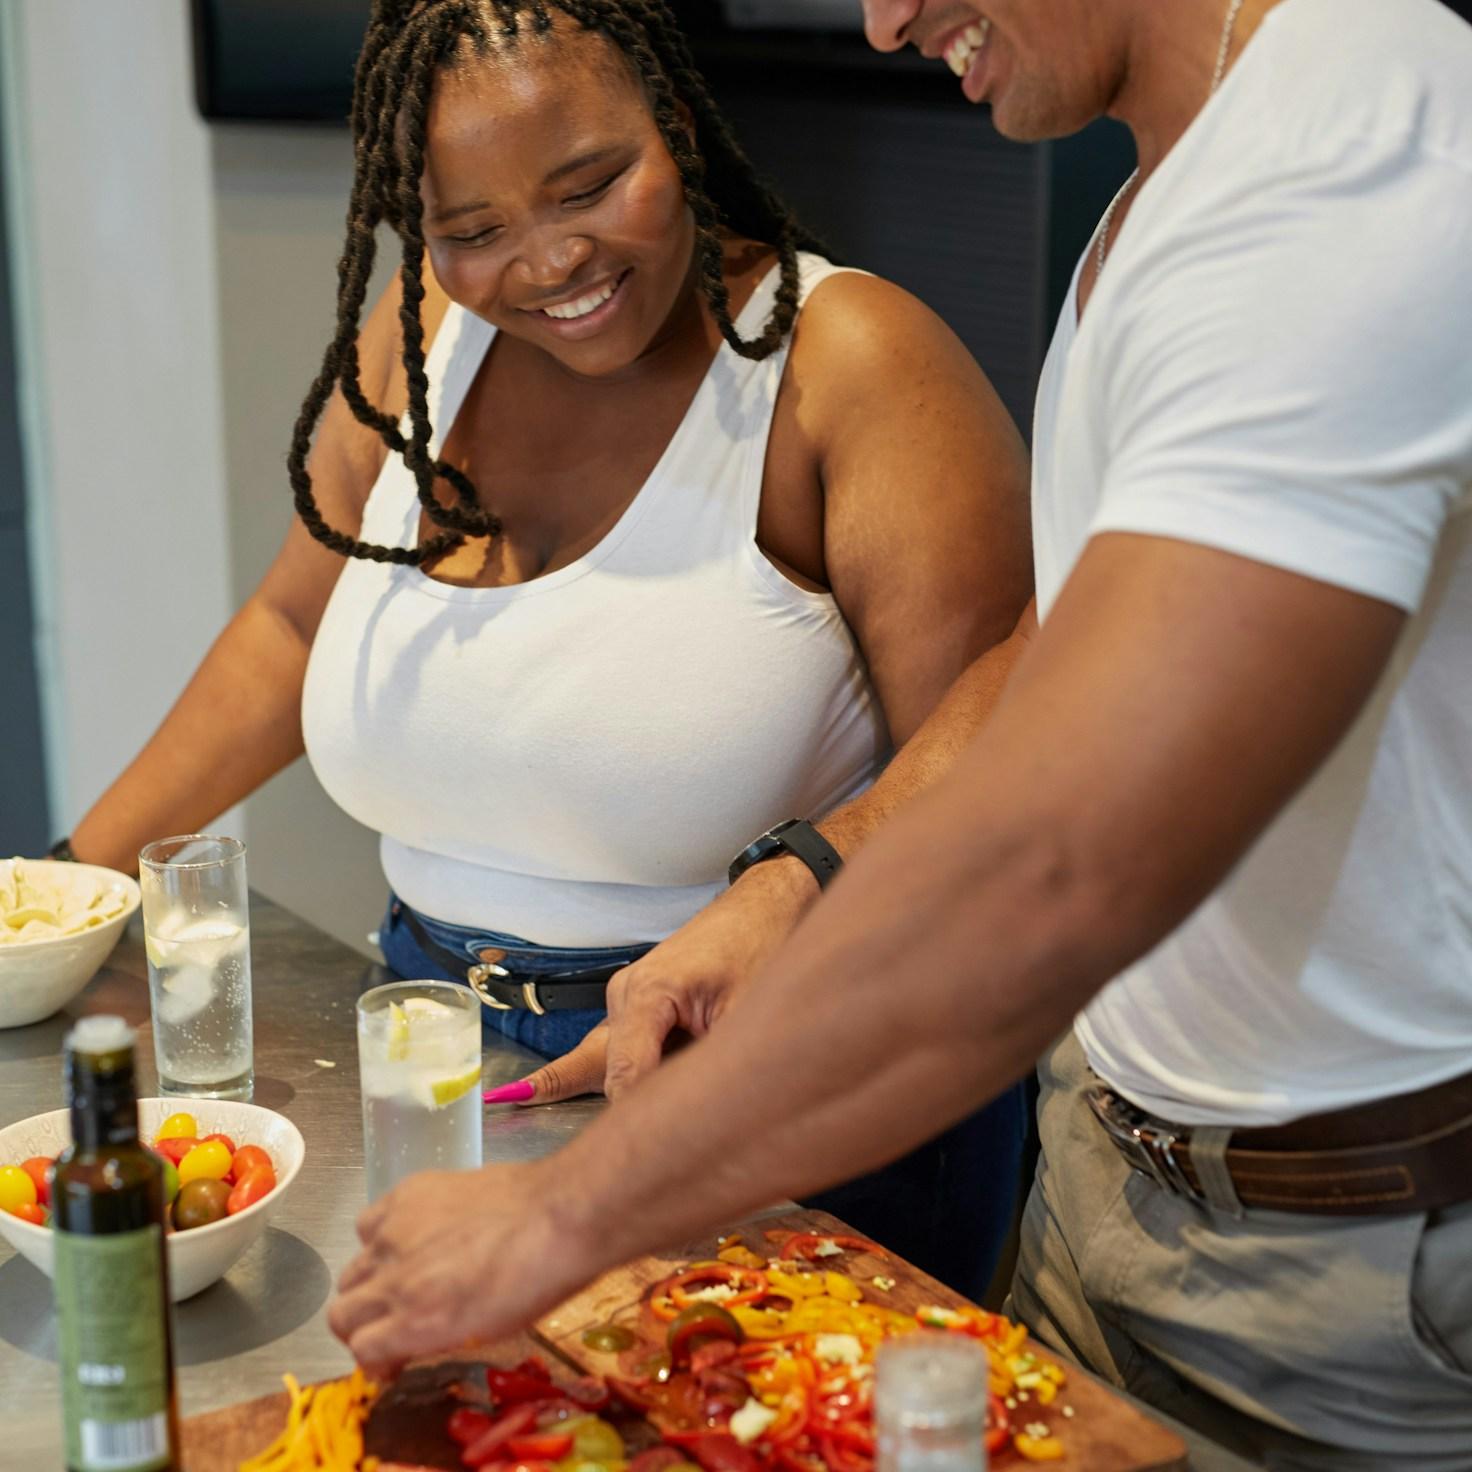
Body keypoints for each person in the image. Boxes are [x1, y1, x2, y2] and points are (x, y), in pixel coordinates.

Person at [328, 0, 1472, 1466]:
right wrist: (807, 876)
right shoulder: (1174, 178)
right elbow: (1074, 649)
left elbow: (1055, 865)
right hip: (1111, 1197)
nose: (882, 22)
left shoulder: (1349, 154)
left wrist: (566, 1212)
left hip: (1360, 1274)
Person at [57, 0, 1034, 1298]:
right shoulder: (419, 347)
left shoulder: (843, 363)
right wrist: (66, 888)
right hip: (434, 1059)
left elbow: (1006, 736)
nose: (549, 261)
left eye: (593, 185)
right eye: (473, 230)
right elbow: (291, 629)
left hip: (772, 1082)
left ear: (674, 122)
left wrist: (802, 884)